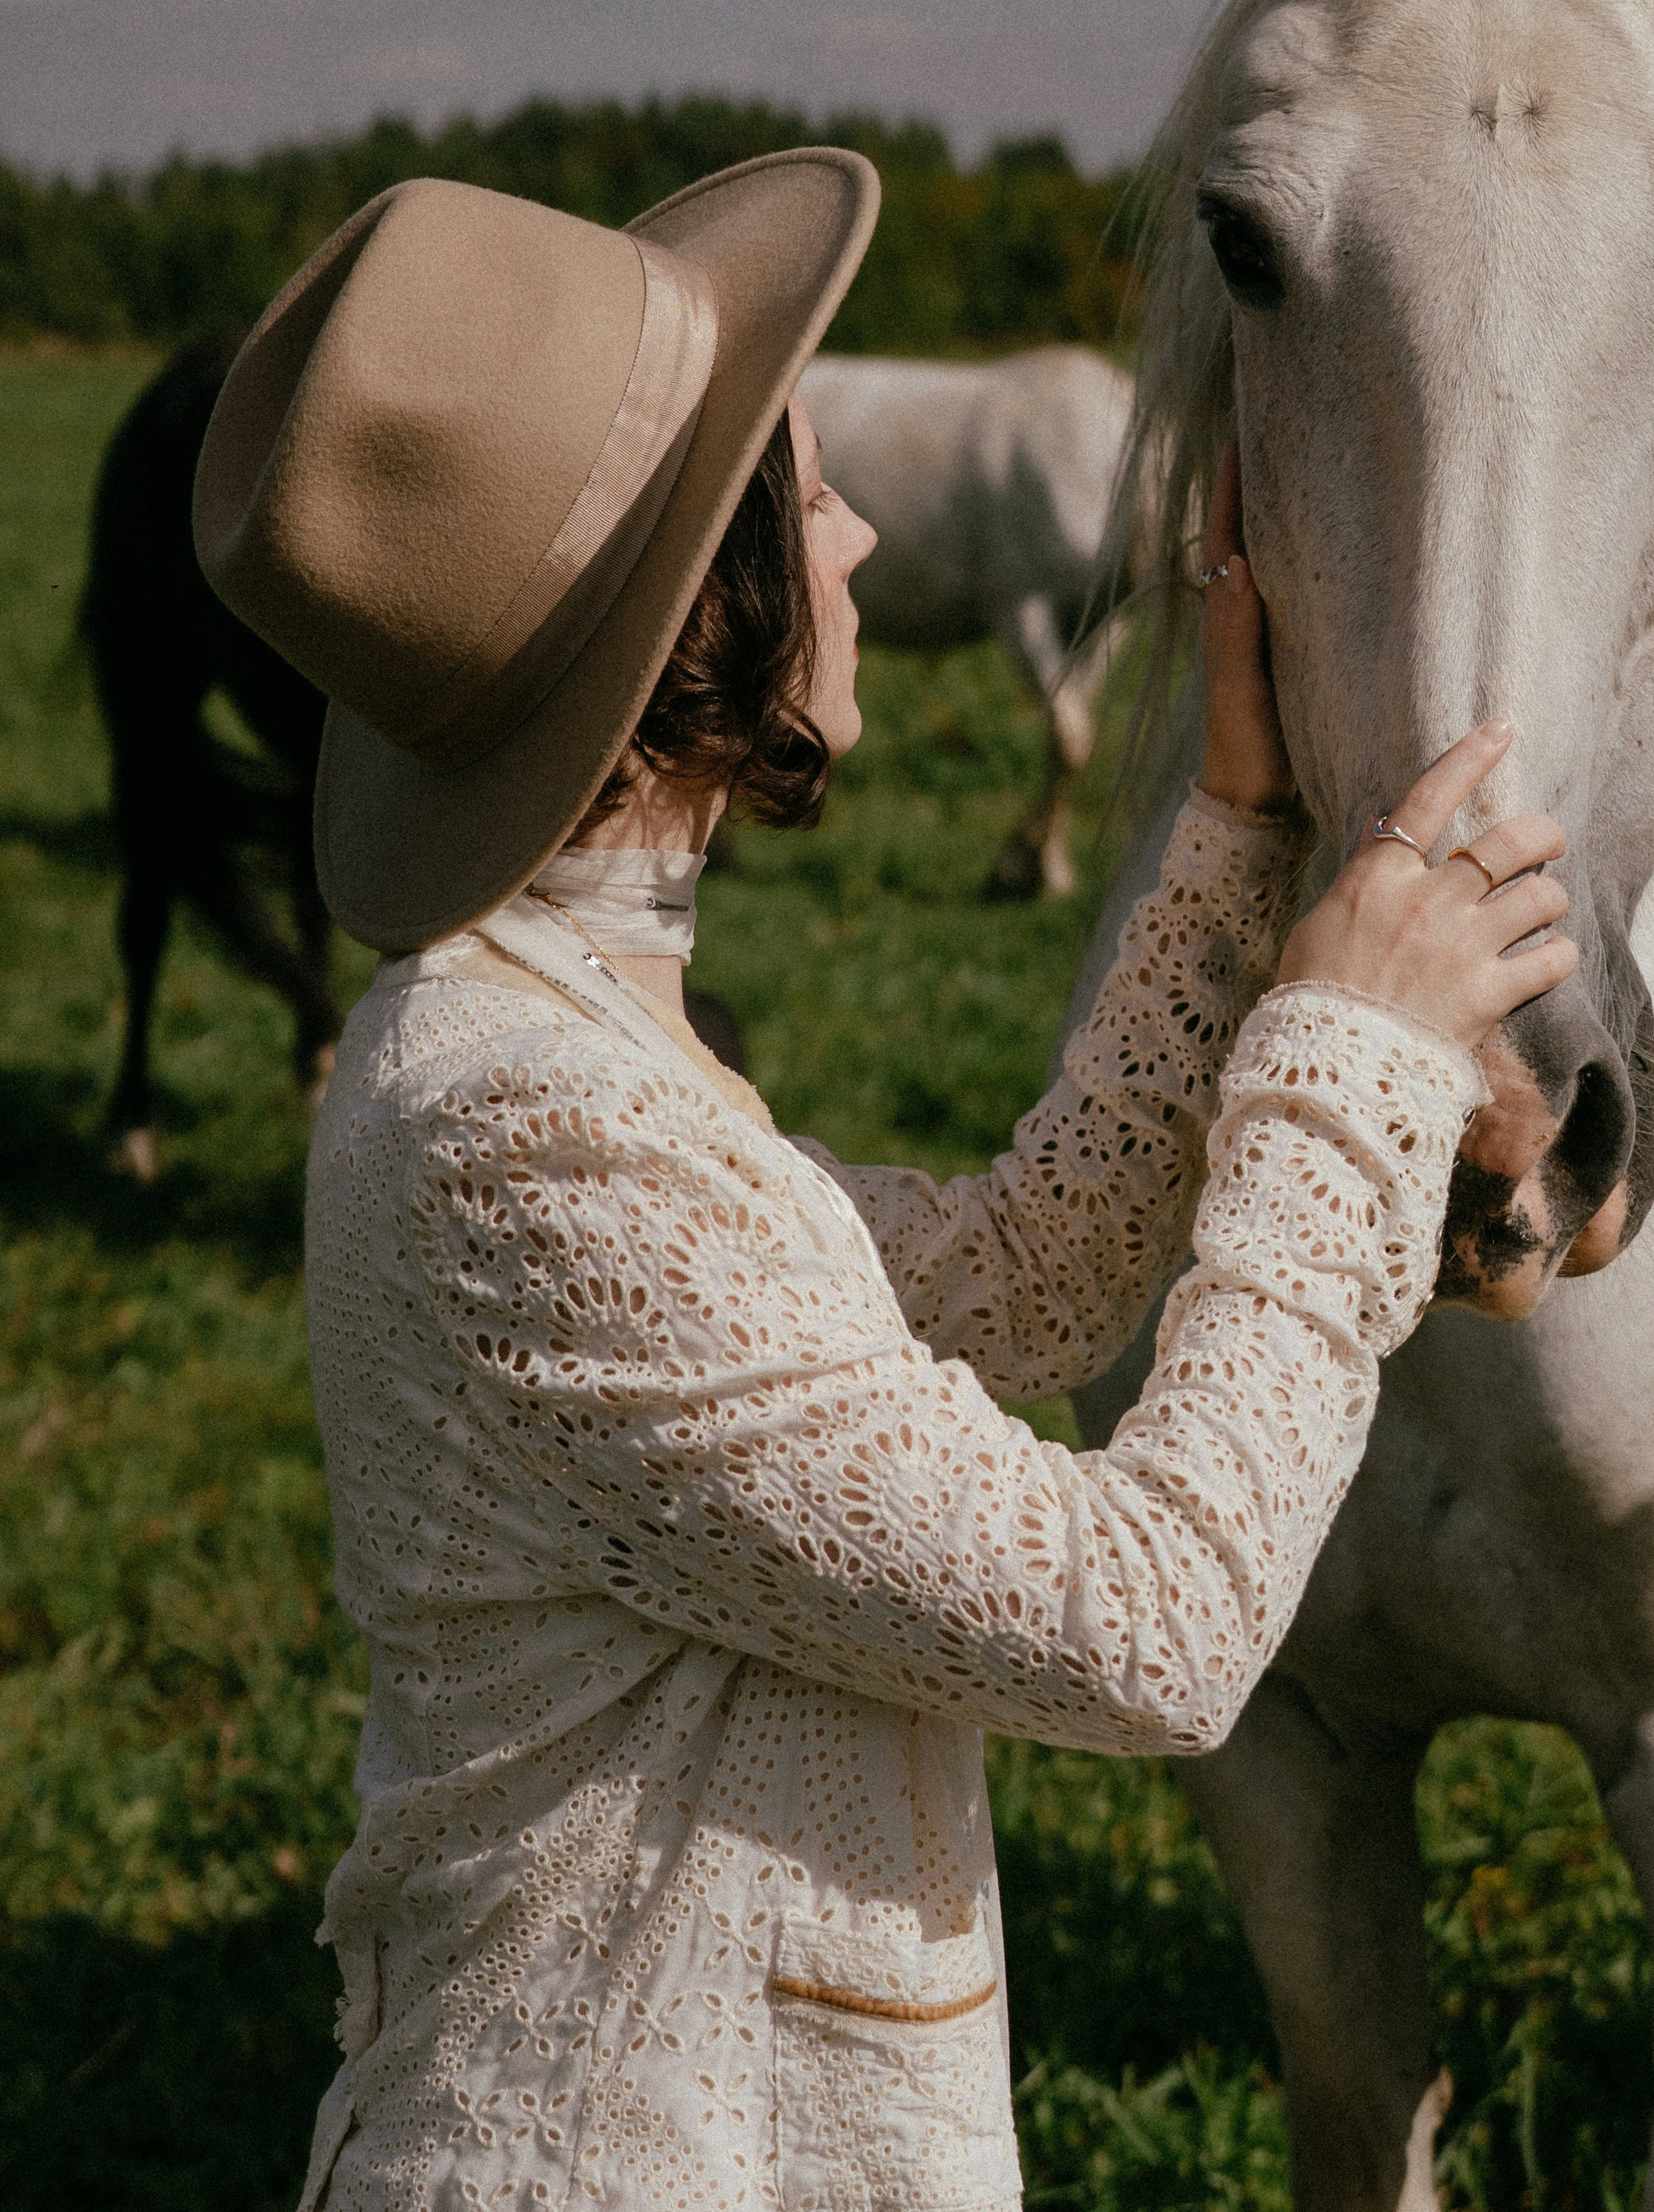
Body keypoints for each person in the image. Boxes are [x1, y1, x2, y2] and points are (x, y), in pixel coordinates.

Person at [195, 149, 1581, 2212]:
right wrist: (1350, 1063)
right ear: (703, 607)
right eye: (809, 492)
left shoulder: (546, 1027)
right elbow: (1153, 1627)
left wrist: (1228, 825)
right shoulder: (526, 1135)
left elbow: (1010, 1287)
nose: (856, 533)